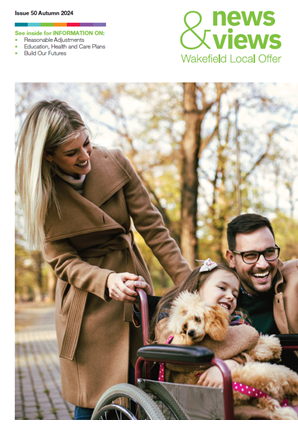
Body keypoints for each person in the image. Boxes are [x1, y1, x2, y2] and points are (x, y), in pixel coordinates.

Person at [15, 99, 192, 420]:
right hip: (87, 305)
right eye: (72, 153)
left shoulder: (116, 163)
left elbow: (154, 230)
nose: (85, 157)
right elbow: (62, 261)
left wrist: (191, 284)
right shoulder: (42, 194)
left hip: (133, 290)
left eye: (86, 143)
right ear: (48, 156)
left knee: (141, 391)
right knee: (92, 400)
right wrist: (106, 281)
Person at [151, 260, 259, 388]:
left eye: (235, 294)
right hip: (182, 392)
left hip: (229, 388)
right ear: (198, 288)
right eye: (222, 288)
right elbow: (176, 349)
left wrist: (231, 363)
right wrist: (231, 350)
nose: (230, 296)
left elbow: (253, 353)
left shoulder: (236, 320)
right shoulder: (172, 314)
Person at [226, 213, 298, 369]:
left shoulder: (294, 281)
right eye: (250, 255)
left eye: (269, 252)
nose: (263, 264)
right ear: (231, 258)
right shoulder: (218, 296)